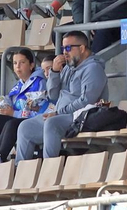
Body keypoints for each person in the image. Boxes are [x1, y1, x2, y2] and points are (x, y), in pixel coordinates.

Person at [14, 31, 107, 160]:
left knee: (52, 123)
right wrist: (54, 72)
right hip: (61, 115)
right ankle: (21, 172)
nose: (64, 52)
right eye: (63, 48)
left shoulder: (93, 68)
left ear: (81, 48)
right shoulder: (69, 67)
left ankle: (49, 170)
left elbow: (87, 101)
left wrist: (59, 113)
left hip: (82, 117)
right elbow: (53, 95)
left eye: (68, 48)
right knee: (25, 127)